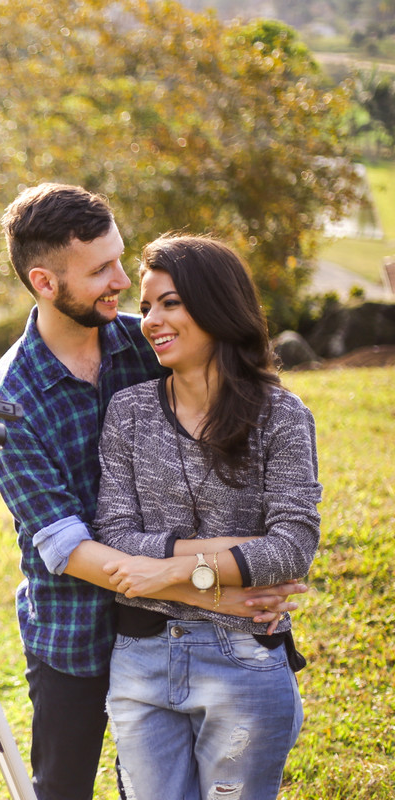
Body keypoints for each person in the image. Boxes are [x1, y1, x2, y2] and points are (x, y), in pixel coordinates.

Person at [0, 184, 306, 800]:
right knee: (64, 789)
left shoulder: (149, 342)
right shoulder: (8, 401)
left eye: (120, 259)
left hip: (168, 631)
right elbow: (67, 545)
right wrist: (221, 589)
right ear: (46, 283)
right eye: (101, 269)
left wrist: (216, 582)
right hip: (73, 627)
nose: (121, 282)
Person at [93, 233, 320, 799]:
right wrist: (234, 559)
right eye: (145, 307)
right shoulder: (128, 412)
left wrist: (170, 572)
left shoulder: (282, 415)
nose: (150, 320)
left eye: (170, 302)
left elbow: (292, 546)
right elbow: (115, 536)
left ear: (218, 304)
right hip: (140, 658)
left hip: (244, 658)